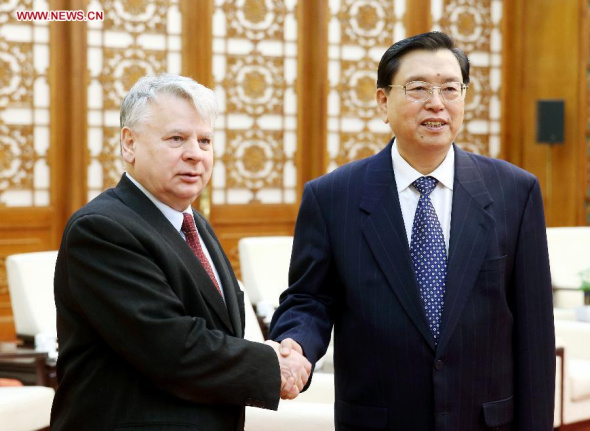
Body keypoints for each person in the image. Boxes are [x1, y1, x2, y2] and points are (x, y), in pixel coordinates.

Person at [270, 31, 555, 431]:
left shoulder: (515, 192)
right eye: (418, 88)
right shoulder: (332, 196)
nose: (436, 103)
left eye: (450, 89)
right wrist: (296, 345)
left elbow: (535, 333)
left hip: (487, 421)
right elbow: (309, 298)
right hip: (379, 419)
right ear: (383, 102)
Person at [51, 74, 310, 431]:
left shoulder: (194, 223)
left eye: (204, 140)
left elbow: (219, 329)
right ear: (129, 144)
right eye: (176, 138)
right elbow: (171, 347)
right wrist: (273, 365)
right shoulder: (101, 229)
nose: (195, 153)